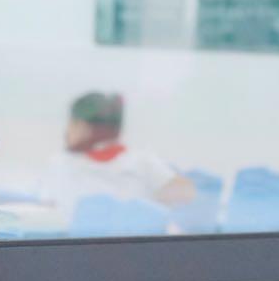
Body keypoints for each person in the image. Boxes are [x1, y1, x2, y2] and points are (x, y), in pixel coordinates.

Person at [40, 91, 195, 213]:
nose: (67, 131)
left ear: (85, 127)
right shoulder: (60, 164)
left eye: (72, 123)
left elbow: (187, 196)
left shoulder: (142, 163)